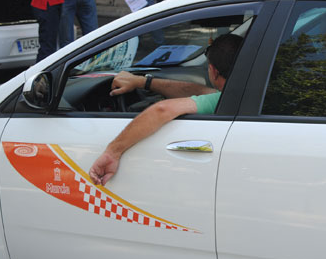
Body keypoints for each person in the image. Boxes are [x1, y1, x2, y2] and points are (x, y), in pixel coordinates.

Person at [89, 34, 243, 186]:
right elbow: (201, 91)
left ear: (213, 70)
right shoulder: (241, 94)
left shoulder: (224, 101)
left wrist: (112, 152)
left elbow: (161, 110)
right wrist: (143, 82)